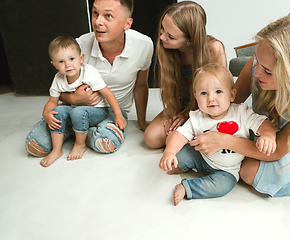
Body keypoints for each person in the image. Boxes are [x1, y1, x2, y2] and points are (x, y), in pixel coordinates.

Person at [177, 14, 290, 198]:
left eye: (267, 71)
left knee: (247, 171)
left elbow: (281, 147)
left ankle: (285, 182)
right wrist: (195, 120)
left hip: (289, 142)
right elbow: (232, 101)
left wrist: (224, 141)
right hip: (261, 130)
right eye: (257, 60)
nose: (256, 73)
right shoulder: (262, 61)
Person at [26, 0, 153, 156]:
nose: (98, 22)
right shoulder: (80, 45)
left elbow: (140, 85)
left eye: (108, 16)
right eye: (95, 13)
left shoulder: (144, 45)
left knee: (106, 143)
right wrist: (73, 100)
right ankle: (75, 129)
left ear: (127, 24)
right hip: (75, 109)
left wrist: (142, 122)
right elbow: (60, 87)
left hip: (113, 112)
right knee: (36, 146)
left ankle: (78, 133)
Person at [159, 63, 277, 205]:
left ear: (232, 95)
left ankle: (186, 187)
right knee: (181, 154)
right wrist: (169, 152)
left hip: (226, 170)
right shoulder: (197, 116)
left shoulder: (241, 113)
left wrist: (268, 136)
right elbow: (181, 134)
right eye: (204, 93)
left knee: (223, 186)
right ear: (196, 96)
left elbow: (263, 123)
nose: (211, 98)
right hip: (201, 157)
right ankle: (182, 166)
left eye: (219, 92)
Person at [144, 1, 226, 149]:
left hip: (208, 107)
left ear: (190, 41)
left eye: (171, 36)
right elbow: (172, 91)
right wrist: (178, 111)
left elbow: (220, 94)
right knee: (152, 138)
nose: (162, 37)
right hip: (181, 105)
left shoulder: (214, 48)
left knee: (175, 142)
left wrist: (189, 114)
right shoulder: (167, 49)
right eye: (162, 29)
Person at [40, 36, 127, 167]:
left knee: (78, 112)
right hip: (76, 109)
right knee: (57, 110)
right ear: (55, 65)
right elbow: (52, 101)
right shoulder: (58, 78)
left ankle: (80, 145)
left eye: (71, 59)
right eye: (61, 62)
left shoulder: (88, 73)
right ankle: (56, 150)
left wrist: (118, 115)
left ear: (81, 58)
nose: (68, 65)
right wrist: (46, 113)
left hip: (98, 111)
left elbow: (107, 94)